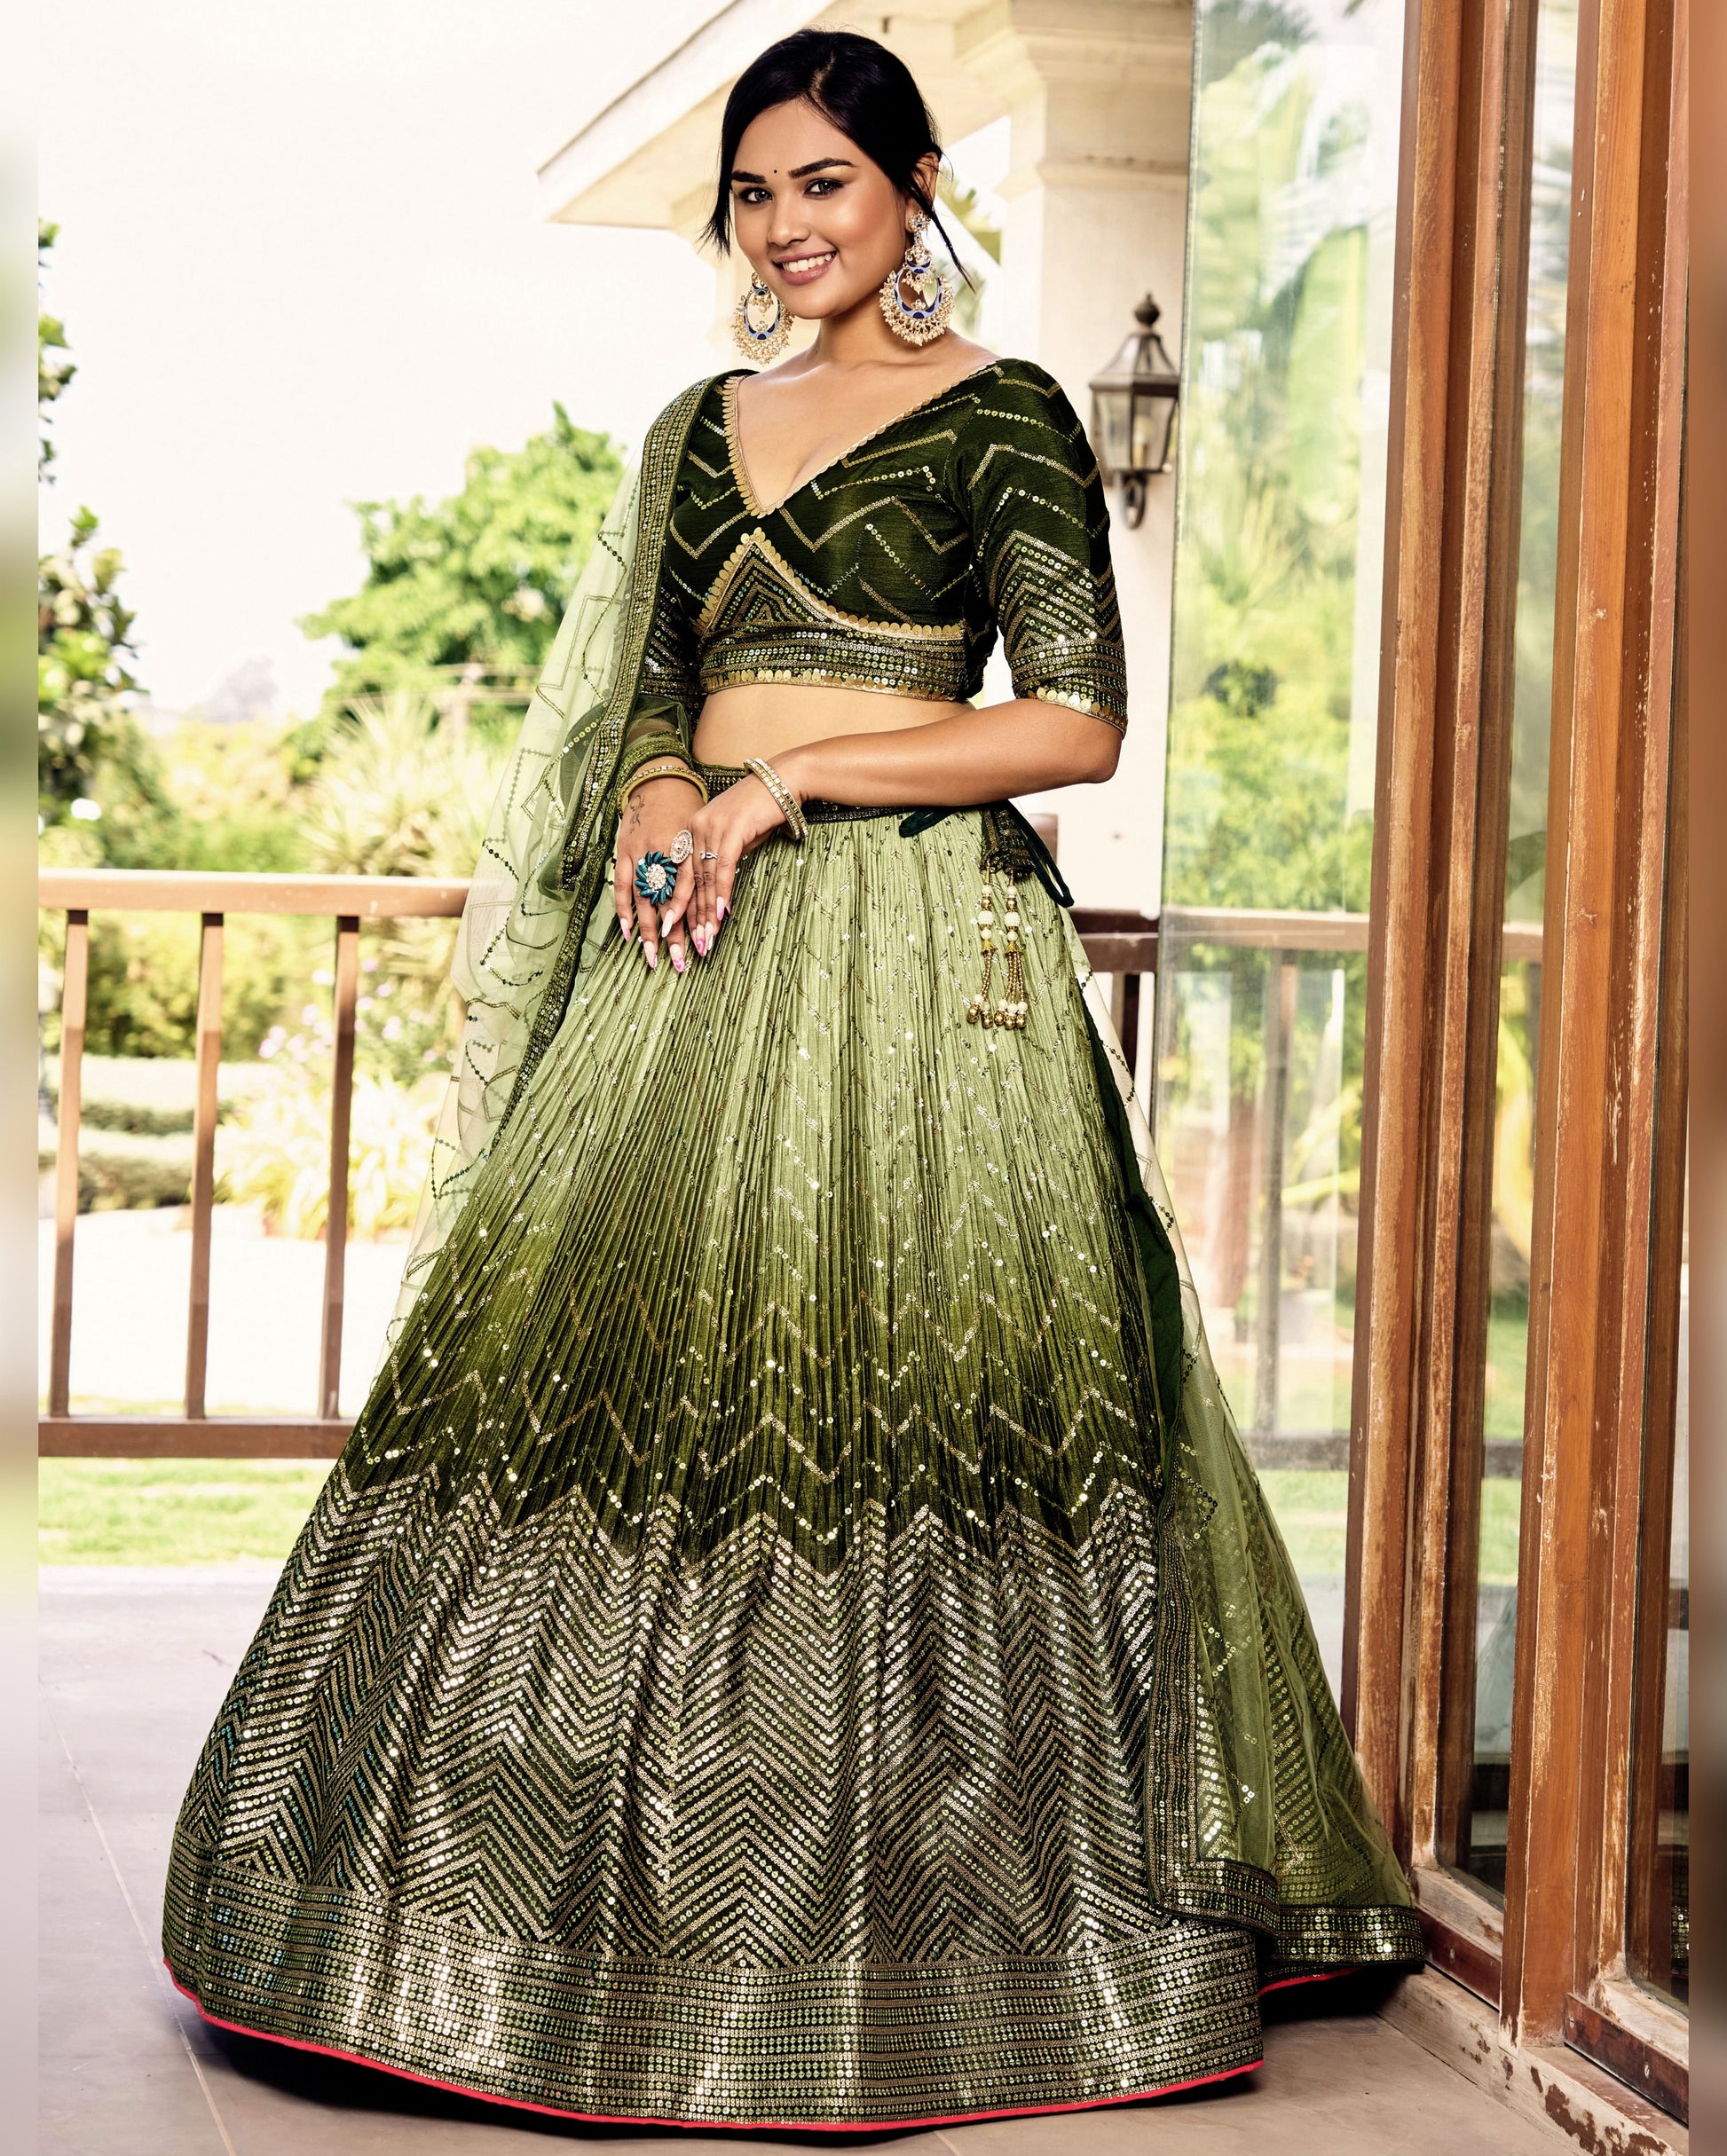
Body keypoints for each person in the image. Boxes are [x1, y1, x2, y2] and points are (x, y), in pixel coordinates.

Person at [162, 28, 1421, 2130]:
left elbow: (1074, 724)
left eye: (825, 181)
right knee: (601, 1371)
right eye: (754, 192)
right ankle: (525, 1933)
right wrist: (671, 785)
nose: (785, 224)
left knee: (912, 1391)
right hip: (696, 941)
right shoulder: (695, 430)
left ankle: (940, 1950)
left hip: (919, 954)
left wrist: (787, 780)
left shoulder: (1007, 413)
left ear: (915, 189)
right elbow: (652, 688)